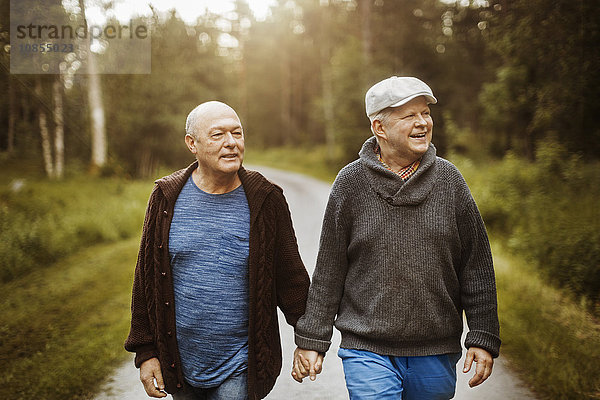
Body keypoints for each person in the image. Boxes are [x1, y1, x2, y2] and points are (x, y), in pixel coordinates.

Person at [292, 77, 501, 399]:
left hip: (435, 348)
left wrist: (483, 334)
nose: (422, 123)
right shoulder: (350, 184)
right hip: (367, 347)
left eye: (425, 113)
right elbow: (330, 270)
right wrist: (312, 340)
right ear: (380, 127)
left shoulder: (450, 181)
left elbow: (476, 265)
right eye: (409, 116)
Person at [124, 101, 310, 400]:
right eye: (218, 135)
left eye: (237, 133)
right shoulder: (165, 197)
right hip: (180, 362)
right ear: (192, 144)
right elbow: (146, 280)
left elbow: (290, 276)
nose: (231, 143)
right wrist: (146, 352)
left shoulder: (265, 198)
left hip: (241, 362)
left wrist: (308, 338)